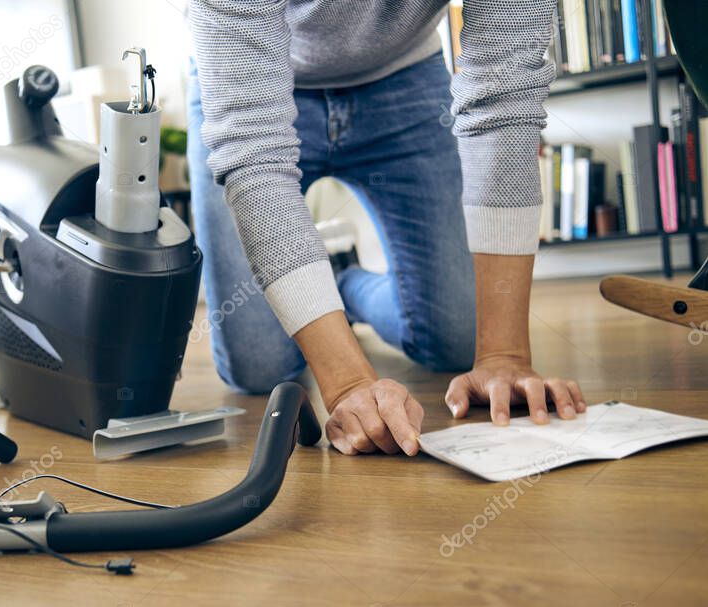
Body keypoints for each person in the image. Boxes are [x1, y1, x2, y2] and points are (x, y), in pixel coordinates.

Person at [186, 0, 587, 456]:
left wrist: (505, 357)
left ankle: (343, 286)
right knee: (257, 368)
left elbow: (506, 96)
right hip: (255, 79)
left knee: (456, 339)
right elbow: (254, 152)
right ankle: (320, 301)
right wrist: (348, 384)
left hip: (404, 79)